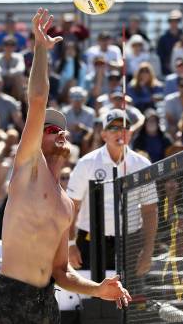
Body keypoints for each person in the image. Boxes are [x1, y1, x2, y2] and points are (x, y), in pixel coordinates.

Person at [0, 8, 131, 324]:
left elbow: (61, 273)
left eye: (62, 129)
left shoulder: (66, 204)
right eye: (50, 129)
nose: (58, 133)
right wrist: (40, 48)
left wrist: (97, 290)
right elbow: (37, 100)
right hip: (10, 297)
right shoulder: (27, 171)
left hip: (45, 303)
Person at [67, 108, 158, 275]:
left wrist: (148, 251)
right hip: (90, 241)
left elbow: (150, 210)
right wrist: (70, 244)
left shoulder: (142, 165)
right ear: (104, 135)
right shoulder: (87, 163)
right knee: (89, 298)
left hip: (129, 242)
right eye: (113, 128)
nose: (120, 132)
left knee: (128, 298)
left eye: (124, 128)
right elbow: (71, 206)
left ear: (130, 133)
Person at [0, 34, 26, 101]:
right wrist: (8, 72)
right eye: (6, 44)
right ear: (3, 46)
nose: (9, 47)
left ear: (15, 47)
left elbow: (21, 68)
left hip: (14, 84)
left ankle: (20, 101)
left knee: (19, 77)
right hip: (1, 81)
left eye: (12, 45)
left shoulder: (19, 56)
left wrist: (10, 72)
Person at [157, 9, 183, 76]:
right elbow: (160, 54)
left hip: (182, 68)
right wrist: (167, 64)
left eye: (176, 21)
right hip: (167, 70)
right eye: (171, 21)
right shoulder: (163, 38)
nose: (174, 23)